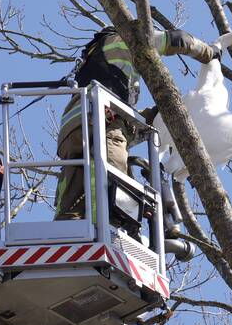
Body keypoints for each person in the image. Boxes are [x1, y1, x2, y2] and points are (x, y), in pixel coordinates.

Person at [54, 27, 218, 220]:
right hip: (103, 121)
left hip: (72, 129)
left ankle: (70, 231)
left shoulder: (95, 64)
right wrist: (211, 53)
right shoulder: (127, 37)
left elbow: (126, 122)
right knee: (110, 176)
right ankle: (108, 225)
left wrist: (154, 116)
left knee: (74, 188)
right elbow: (176, 39)